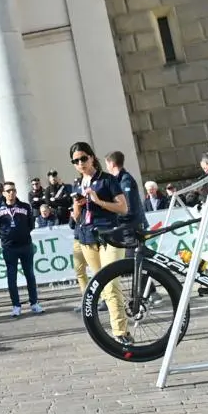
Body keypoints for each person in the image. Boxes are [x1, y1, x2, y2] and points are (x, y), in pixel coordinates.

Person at [70, 143, 132, 344]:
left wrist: (98, 201)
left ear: (92, 157)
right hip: (87, 237)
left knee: (112, 283)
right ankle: (116, 327)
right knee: (102, 286)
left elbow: (123, 208)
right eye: (76, 161)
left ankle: (120, 331)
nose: (80, 163)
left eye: (83, 158)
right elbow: (76, 217)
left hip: (109, 235)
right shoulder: (76, 184)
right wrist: (77, 206)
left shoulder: (108, 180)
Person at [0, 182, 42, 317]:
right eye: (8, 191)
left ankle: (34, 303)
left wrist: (22, 234)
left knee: (30, 275)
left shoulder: (25, 206)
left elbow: (31, 225)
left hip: (25, 245)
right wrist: (6, 237)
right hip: (9, 247)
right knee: (11, 277)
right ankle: (16, 305)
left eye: (13, 190)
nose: (11, 193)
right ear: (3, 193)